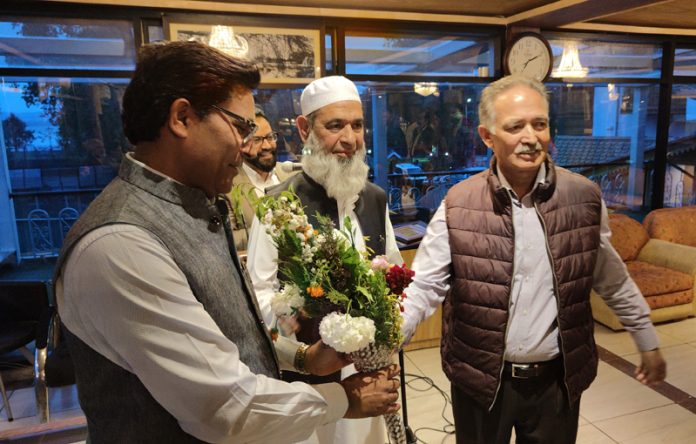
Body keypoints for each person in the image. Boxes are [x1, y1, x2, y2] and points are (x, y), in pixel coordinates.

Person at [54, 41, 401, 444]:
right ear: (182, 117)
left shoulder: (195, 206)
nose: (248, 145)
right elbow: (224, 407)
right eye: (240, 127)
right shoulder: (120, 244)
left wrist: (303, 358)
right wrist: (342, 399)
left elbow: (234, 335)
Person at [400, 75, 666, 444]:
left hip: (557, 381)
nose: (531, 136)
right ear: (487, 136)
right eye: (515, 126)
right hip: (480, 379)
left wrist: (645, 337)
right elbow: (425, 284)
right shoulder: (459, 203)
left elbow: (611, 277)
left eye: (539, 124)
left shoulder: (583, 197)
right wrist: (392, 335)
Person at [247, 75, 403, 444]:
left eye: (357, 125)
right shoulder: (278, 205)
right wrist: (303, 347)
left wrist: (389, 333)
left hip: (370, 376)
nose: (349, 139)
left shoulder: (376, 198)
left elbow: (394, 275)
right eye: (334, 126)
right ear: (305, 129)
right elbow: (258, 296)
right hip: (308, 385)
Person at [227, 107, 297, 253]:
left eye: (270, 137)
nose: (267, 146)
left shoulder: (290, 175)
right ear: (243, 143)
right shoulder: (229, 185)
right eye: (257, 140)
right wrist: (275, 231)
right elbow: (229, 239)